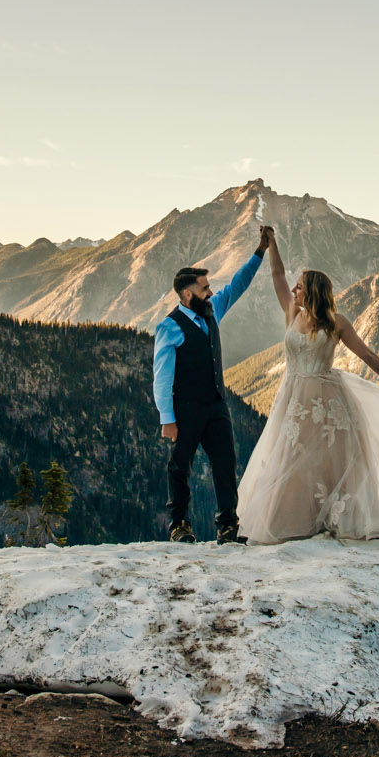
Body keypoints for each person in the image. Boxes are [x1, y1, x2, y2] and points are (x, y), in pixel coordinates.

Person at [235, 231, 379, 545]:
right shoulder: (291, 314)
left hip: (327, 401)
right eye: (294, 286)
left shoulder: (337, 322)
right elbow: (277, 274)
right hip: (294, 399)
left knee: (328, 463)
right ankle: (294, 522)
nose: (293, 290)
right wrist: (271, 244)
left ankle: (334, 522)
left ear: (311, 292)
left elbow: (366, 354)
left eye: (299, 286)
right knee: (290, 461)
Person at [152, 225, 272, 544]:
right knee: (180, 466)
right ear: (187, 294)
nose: (211, 292)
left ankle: (228, 526)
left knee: (224, 462)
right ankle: (179, 525)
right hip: (186, 408)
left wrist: (260, 251)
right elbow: (161, 376)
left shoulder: (211, 312)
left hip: (216, 405)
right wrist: (168, 419)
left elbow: (237, 285)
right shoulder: (169, 327)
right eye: (205, 288)